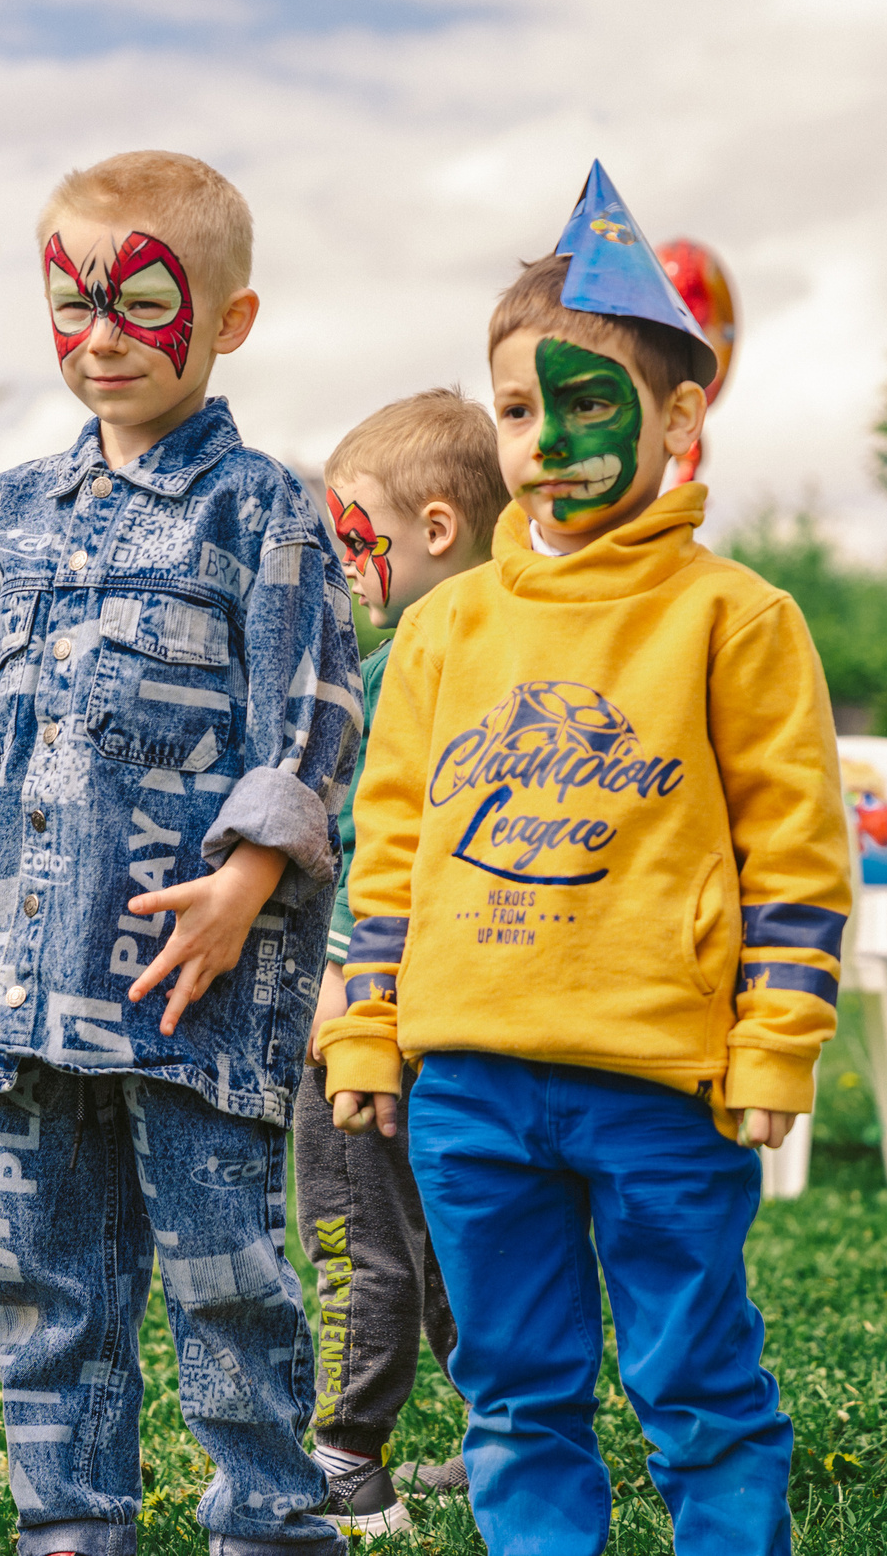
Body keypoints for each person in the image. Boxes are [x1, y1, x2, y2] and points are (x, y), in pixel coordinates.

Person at [320, 162, 851, 1556]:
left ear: (681, 416)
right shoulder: (445, 632)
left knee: (696, 1383)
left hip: (660, 1086)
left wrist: (779, 1038)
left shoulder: (740, 620)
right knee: (514, 1389)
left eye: (585, 400)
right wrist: (370, 1029)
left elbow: (797, 846)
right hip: (470, 1085)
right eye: (513, 407)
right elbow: (392, 846)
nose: (544, 437)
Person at [0, 150, 363, 1556]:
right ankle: (71, 1520)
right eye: (71, 301)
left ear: (230, 318)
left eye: (139, 303)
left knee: (225, 1269)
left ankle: (269, 1520)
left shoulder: (263, 508)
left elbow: (313, 703)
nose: (100, 337)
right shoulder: (10, 516)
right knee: (41, 1264)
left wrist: (249, 879)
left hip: (187, 972)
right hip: (37, 973)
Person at [296, 390, 503, 1532]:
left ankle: (345, 1460)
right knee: (467, 1234)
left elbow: (359, 844)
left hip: (359, 1007)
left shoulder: (397, 667)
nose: (344, 572)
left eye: (351, 540)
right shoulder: (524, 653)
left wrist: (331, 977)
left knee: (356, 1236)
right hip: (475, 1007)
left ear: (432, 529)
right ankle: (500, 1440)